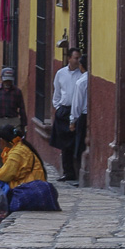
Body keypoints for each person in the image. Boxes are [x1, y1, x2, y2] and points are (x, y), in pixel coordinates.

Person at [0, 124, 60, 212]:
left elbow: (6, 175)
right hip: (32, 183)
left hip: (28, 186)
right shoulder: (20, 147)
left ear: (1, 140)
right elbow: (7, 170)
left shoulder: (17, 153)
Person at [50, 48, 85, 182]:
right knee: (64, 143)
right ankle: (67, 172)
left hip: (76, 110)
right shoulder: (60, 73)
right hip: (64, 111)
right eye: (75, 58)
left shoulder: (81, 74)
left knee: (76, 142)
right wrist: (58, 107)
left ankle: (77, 171)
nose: (77, 61)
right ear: (69, 58)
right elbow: (57, 92)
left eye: (79, 58)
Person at [68, 54, 90, 186]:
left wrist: (72, 120)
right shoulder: (89, 80)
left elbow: (77, 103)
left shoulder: (81, 82)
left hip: (82, 116)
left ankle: (78, 175)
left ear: (81, 66)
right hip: (88, 115)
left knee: (79, 145)